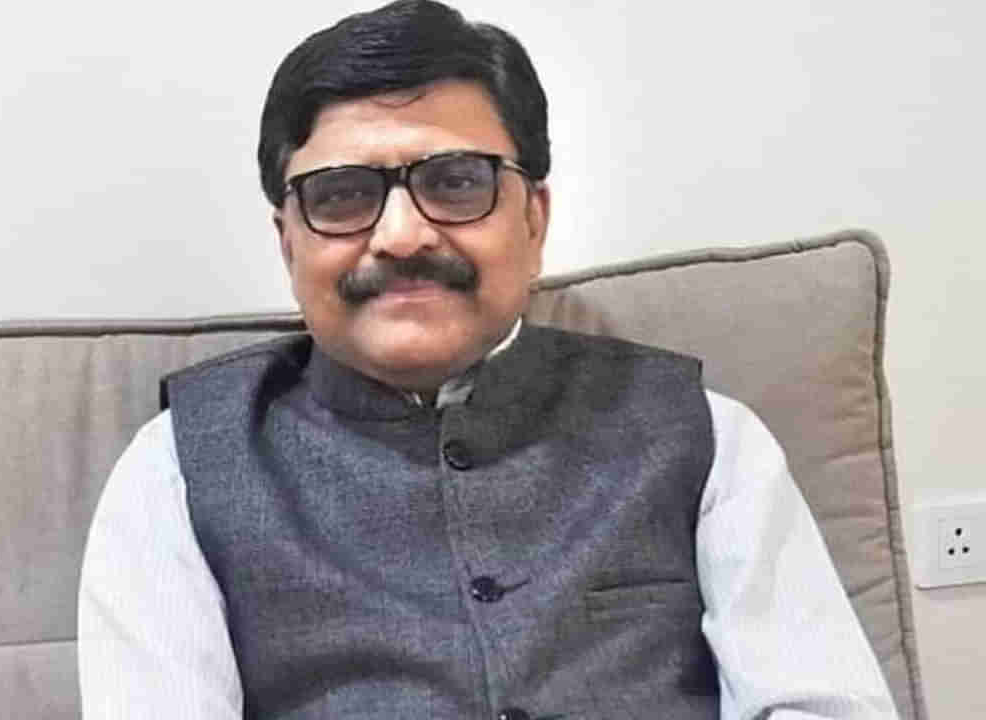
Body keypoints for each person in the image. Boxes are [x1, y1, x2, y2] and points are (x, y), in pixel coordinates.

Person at [78, 2, 899, 718]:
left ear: (533, 220)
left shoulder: (707, 437)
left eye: (456, 181)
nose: (402, 235)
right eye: (341, 195)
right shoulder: (176, 471)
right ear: (288, 241)